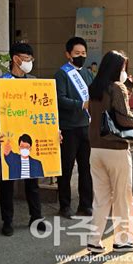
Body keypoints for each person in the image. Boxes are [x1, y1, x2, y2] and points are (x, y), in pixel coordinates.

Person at [86, 50, 133, 253]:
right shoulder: (116, 87)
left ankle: (94, 241)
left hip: (95, 148)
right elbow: (123, 117)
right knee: (122, 196)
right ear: (116, 68)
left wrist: (127, 89)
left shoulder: (95, 87)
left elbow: (108, 111)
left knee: (101, 197)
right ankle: (122, 240)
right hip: (115, 148)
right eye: (123, 67)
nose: (125, 71)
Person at [0, 42, 46, 236]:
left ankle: (36, 218)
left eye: (31, 59)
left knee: (33, 182)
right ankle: (7, 221)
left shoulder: (34, 81)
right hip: (9, 140)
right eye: (26, 59)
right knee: (8, 182)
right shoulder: (1, 82)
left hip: (30, 139)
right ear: (16, 59)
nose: (29, 63)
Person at [54, 37, 94, 218]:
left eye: (83, 53)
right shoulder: (62, 74)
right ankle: (64, 206)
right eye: (77, 53)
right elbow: (60, 99)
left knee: (86, 167)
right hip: (69, 127)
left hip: (86, 126)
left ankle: (86, 205)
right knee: (66, 168)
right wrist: (81, 104)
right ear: (68, 54)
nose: (81, 56)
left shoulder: (87, 73)